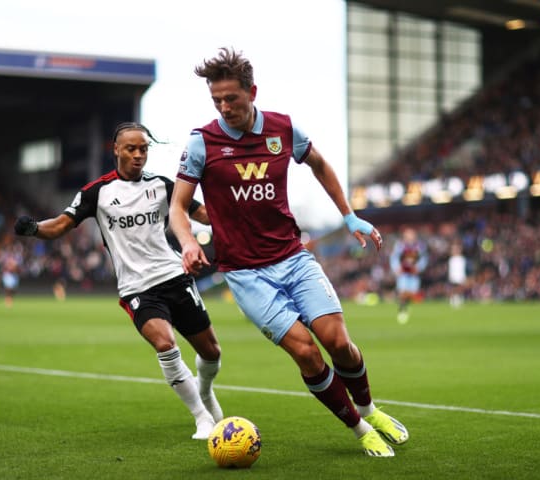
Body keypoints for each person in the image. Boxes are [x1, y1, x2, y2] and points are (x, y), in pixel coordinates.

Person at [169, 47, 408, 457]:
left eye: (233, 99)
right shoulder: (202, 143)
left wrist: (349, 216)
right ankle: (359, 427)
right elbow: (177, 206)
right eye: (217, 101)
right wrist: (189, 240)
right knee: (306, 352)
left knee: (339, 344)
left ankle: (370, 407)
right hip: (246, 274)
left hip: (294, 259)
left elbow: (319, 164)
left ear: (252, 92)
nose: (225, 108)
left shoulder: (283, 129)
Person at [14, 122, 224, 440]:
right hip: (137, 288)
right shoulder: (97, 192)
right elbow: (59, 225)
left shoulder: (162, 186)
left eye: (143, 149)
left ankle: (205, 390)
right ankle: (201, 418)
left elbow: (202, 214)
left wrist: (236, 208)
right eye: (131, 148)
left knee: (211, 352)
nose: (138, 155)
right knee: (165, 344)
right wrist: (33, 228)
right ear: (116, 149)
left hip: (174, 277)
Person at [389, 228, 428, 324]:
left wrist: (419, 268)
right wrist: (396, 268)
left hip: (413, 274)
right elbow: (394, 257)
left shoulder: (419, 246)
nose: (409, 238)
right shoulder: (400, 246)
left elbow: (424, 259)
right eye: (407, 236)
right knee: (402, 292)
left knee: (412, 294)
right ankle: (402, 310)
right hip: (403, 274)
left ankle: (407, 308)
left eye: (411, 235)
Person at [447, 242, 467, 308]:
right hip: (453, 276)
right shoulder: (451, 259)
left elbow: (463, 269)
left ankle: (459, 299)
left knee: (459, 289)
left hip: (460, 276)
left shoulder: (462, 259)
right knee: (453, 289)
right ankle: (453, 299)